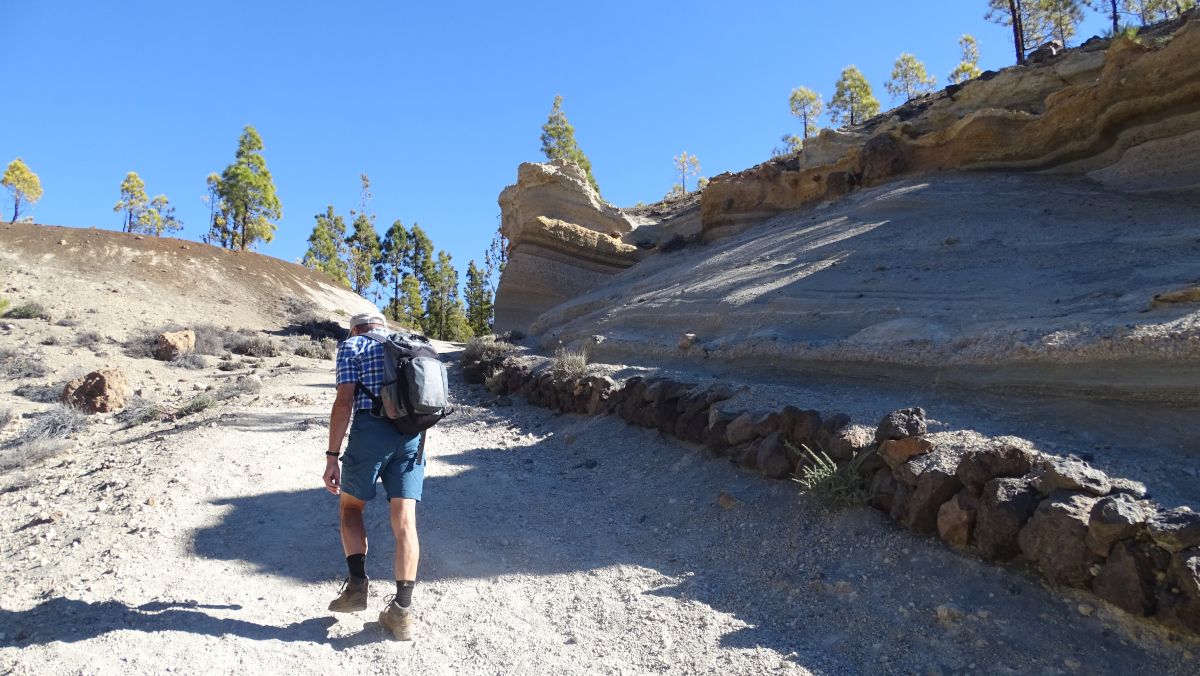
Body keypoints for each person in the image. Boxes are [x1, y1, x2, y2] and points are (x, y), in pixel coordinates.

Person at [323, 311, 424, 641]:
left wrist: (332, 455)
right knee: (405, 521)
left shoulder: (353, 347)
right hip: (413, 436)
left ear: (356, 328)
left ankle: (356, 587)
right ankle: (402, 613)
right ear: (382, 326)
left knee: (351, 507)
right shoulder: (407, 345)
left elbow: (344, 400)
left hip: (372, 431)